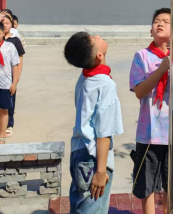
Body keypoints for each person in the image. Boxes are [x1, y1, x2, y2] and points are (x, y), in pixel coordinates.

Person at [129, 8, 173, 214]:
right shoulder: (142, 56)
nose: (160, 24)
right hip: (148, 133)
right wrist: (162, 68)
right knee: (146, 184)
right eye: (157, 21)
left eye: (166, 22)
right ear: (151, 31)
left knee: (172, 183)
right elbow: (140, 91)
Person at [64, 32, 124, 214]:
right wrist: (101, 171)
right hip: (93, 158)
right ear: (99, 55)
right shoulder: (105, 84)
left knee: (80, 206)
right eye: (95, 38)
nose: (98, 36)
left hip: (79, 152)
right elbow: (104, 132)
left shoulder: (85, 76)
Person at [0, 15, 25, 138]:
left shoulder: (14, 41)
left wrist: (16, 79)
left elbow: (17, 60)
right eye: (3, 23)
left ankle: (8, 126)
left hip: (7, 79)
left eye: (7, 23)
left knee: (7, 107)